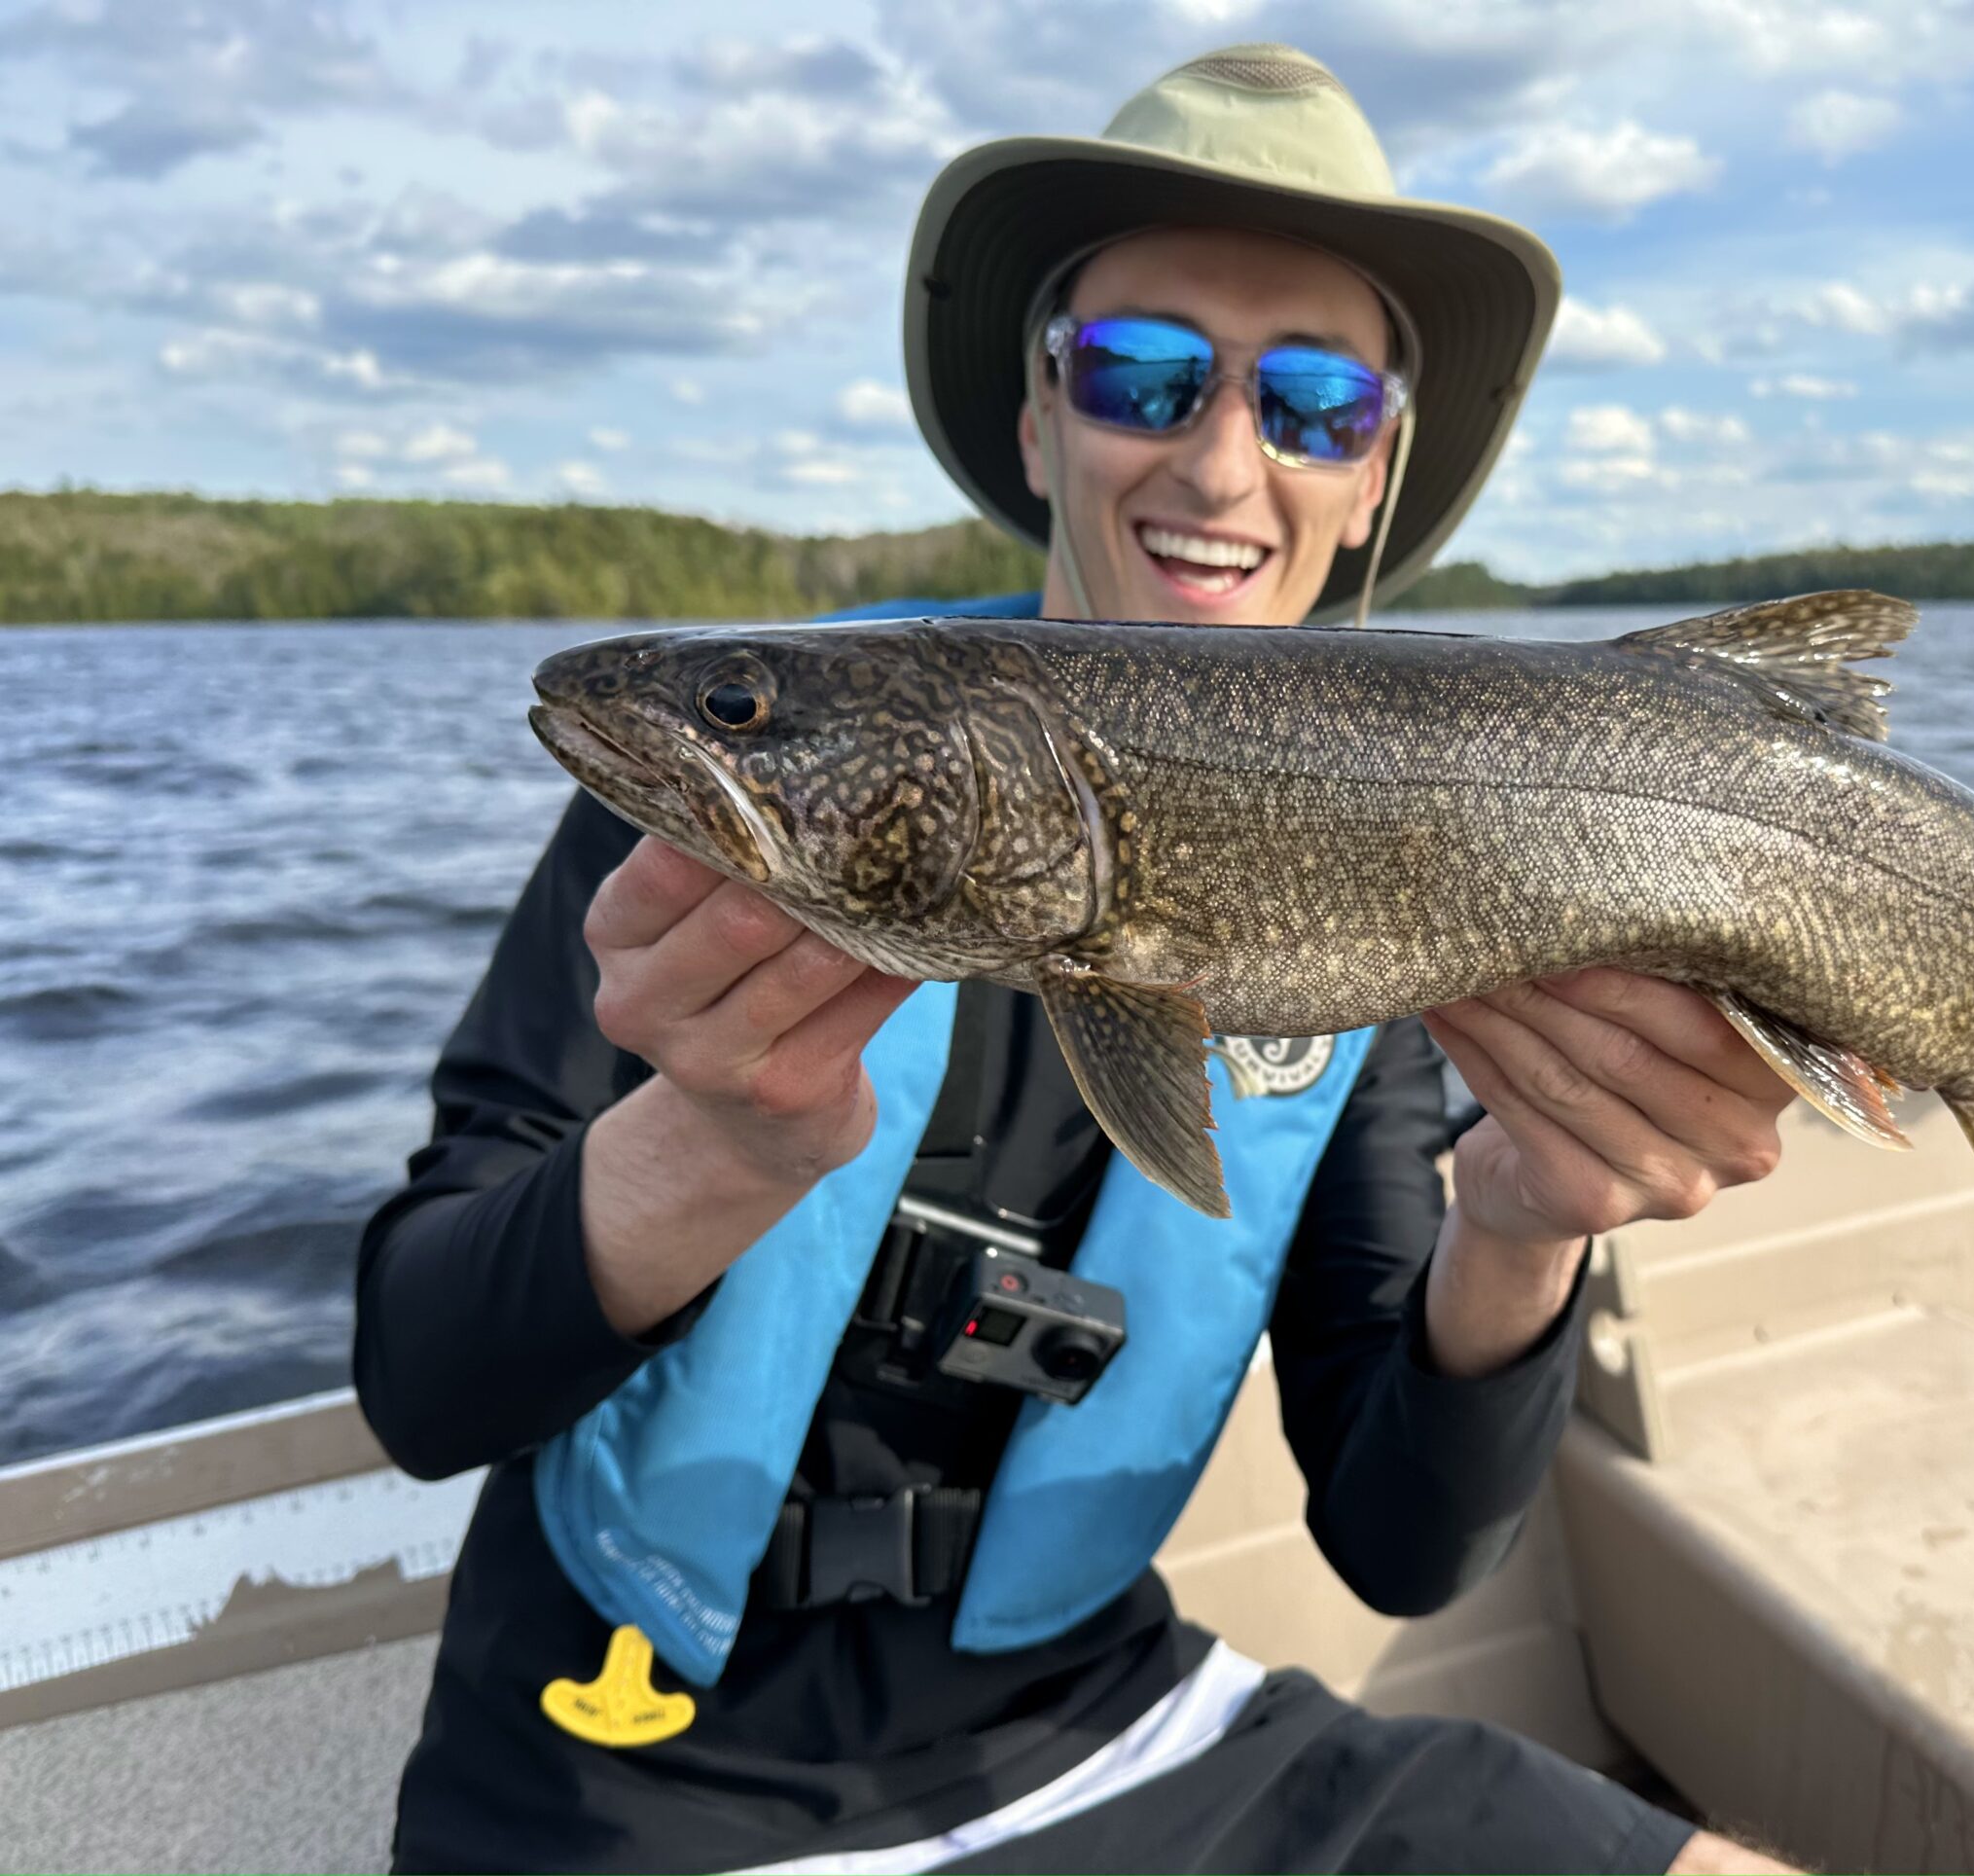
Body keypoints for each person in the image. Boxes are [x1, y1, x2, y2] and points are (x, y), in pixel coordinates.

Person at [357, 42, 1799, 1876]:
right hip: (615, 1769)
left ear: (1373, 476)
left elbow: (1402, 1550)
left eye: (1313, 403)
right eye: (1145, 373)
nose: (1220, 459)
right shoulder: (735, 786)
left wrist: (1522, 1220)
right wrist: (708, 1145)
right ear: (1042, 417)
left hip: (1098, 1735)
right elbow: (417, 1378)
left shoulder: (1393, 905)